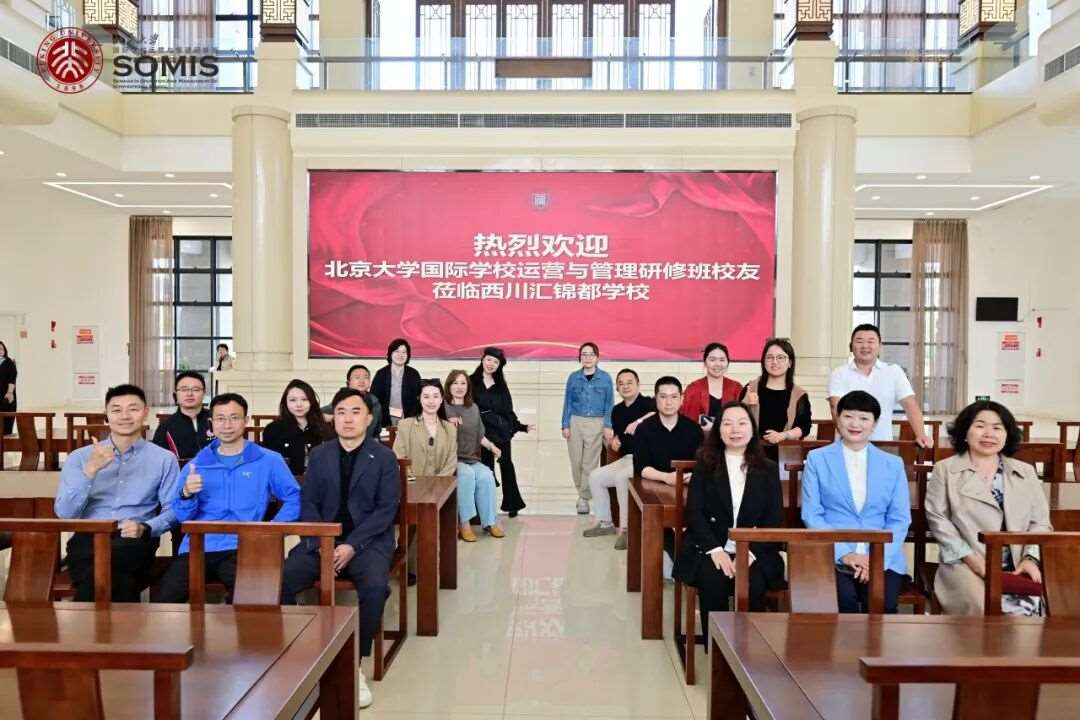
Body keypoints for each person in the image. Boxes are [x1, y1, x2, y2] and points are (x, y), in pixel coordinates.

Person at [281, 388, 399, 709]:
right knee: (281, 579)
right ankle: (298, 653)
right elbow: (309, 503)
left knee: (375, 588)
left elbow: (386, 511)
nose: (348, 419)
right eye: (342, 412)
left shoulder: (384, 457)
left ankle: (353, 664)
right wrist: (324, 541)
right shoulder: (320, 455)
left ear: (369, 418)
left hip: (367, 542)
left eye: (355, 412)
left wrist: (351, 546)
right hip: (322, 541)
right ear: (333, 418)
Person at [157, 392, 300, 602]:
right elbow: (181, 516)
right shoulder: (197, 464)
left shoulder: (268, 460)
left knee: (254, 598)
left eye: (234, 417)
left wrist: (271, 531)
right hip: (197, 546)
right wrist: (186, 494)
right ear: (211, 424)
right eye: (220, 418)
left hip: (243, 547)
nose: (227, 425)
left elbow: (294, 498)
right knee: (166, 600)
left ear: (246, 421)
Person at [925, 400, 1050, 616]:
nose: (989, 434)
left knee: (1029, 619)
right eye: (980, 426)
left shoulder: (1025, 472)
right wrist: (973, 560)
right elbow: (938, 520)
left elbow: (1040, 522)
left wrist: (1030, 559)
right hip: (965, 562)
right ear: (965, 432)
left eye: (997, 428)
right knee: (981, 612)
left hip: (1018, 563)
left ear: (1007, 435)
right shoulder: (945, 470)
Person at [54, 384, 178, 601]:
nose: (125, 416)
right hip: (88, 540)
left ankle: (83, 621)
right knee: (118, 579)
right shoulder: (80, 457)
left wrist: (146, 527)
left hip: (134, 539)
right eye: (116, 410)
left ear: (145, 412)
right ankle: (117, 623)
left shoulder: (163, 459)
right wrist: (90, 471)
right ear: (106, 414)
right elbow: (65, 514)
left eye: (133, 409)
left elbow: (174, 509)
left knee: (109, 568)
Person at [673, 402, 785, 627]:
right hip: (710, 546)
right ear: (718, 429)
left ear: (752, 429)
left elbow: (773, 517)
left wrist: (749, 553)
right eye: (727, 424)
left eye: (742, 423)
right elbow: (695, 512)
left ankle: (750, 643)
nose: (735, 430)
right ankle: (716, 645)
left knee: (753, 582)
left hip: (754, 549)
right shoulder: (705, 464)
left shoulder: (769, 468)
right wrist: (715, 550)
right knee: (712, 579)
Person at [801, 390, 911, 613]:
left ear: (874, 424)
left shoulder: (893, 464)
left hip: (883, 555)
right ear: (838, 418)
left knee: (881, 604)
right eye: (848, 416)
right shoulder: (817, 459)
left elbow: (900, 519)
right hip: (832, 553)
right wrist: (845, 554)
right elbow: (812, 514)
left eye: (864, 418)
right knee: (842, 603)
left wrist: (876, 559)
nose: (855, 424)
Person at [583, 368, 655, 549]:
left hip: (645, 460)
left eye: (630, 382)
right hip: (626, 458)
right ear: (617, 388)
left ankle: (627, 529)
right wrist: (614, 440)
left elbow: (657, 413)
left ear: (638, 384)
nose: (625, 386)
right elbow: (619, 435)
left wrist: (638, 422)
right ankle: (605, 523)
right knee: (596, 476)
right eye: (621, 384)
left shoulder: (648, 403)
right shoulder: (617, 410)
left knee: (622, 478)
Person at [827, 324, 931, 448]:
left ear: (880, 346)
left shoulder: (894, 371)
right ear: (851, 346)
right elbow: (836, 407)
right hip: (847, 444)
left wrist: (921, 434)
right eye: (859, 341)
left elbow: (910, 405)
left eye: (871, 341)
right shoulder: (839, 373)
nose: (865, 346)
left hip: (883, 443)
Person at [470, 347, 533, 518]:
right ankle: (483, 507)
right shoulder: (471, 381)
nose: (491, 364)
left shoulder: (501, 386)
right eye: (489, 359)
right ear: (483, 359)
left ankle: (513, 504)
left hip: (501, 430)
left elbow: (508, 411)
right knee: (485, 469)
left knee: (506, 465)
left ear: (499, 366)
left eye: (496, 362)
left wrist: (521, 426)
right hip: (481, 432)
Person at [444, 370, 505, 541]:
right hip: (452, 459)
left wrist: (492, 447)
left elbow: (480, 436)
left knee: (487, 475)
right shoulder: (443, 407)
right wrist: (448, 424)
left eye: (463, 383)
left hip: (471, 458)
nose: (459, 387)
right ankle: (465, 524)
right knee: (467, 475)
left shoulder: (473, 408)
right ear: (449, 386)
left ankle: (489, 522)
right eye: (455, 383)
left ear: (468, 387)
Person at [561, 342, 614, 515]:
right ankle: (582, 492)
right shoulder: (573, 377)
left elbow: (609, 403)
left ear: (597, 357)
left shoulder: (605, 378)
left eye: (591, 354)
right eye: (584, 354)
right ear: (580, 357)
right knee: (576, 461)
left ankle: (583, 498)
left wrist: (608, 425)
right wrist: (565, 424)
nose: (588, 357)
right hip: (576, 421)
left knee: (589, 463)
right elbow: (567, 402)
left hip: (597, 422)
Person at [739, 338, 812, 462]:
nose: (774, 362)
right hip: (752, 454)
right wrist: (746, 403)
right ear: (763, 361)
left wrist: (783, 436)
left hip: (785, 457)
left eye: (780, 358)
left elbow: (804, 427)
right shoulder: (751, 388)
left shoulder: (799, 394)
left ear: (790, 363)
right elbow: (737, 418)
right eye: (769, 357)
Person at [633, 376, 705, 487]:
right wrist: (666, 477)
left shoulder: (694, 429)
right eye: (663, 397)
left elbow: (701, 465)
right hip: (652, 485)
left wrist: (689, 478)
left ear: (681, 399)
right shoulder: (644, 428)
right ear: (656, 399)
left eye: (674, 397)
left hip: (686, 485)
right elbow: (641, 467)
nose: (668, 402)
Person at [261, 379, 335, 475]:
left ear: (312, 401)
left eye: (304, 399)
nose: (299, 404)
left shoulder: (323, 428)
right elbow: (268, 465)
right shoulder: (273, 430)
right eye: (293, 400)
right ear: (285, 402)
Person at [393, 379, 458, 479]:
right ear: (419, 399)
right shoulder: (405, 425)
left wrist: (438, 481)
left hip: (441, 484)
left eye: (435, 396)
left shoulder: (450, 429)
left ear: (441, 399)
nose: (431, 401)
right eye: (426, 397)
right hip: (412, 484)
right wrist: (412, 480)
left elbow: (451, 463)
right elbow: (398, 457)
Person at [681, 343, 742, 435]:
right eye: (712, 360)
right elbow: (683, 417)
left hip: (729, 440)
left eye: (722, 360)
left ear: (727, 362)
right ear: (705, 362)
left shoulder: (736, 388)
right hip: (698, 439)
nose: (717, 364)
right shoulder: (693, 388)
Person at [152, 371, 212, 464]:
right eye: (184, 390)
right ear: (175, 394)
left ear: (204, 393)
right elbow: (158, 462)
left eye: (196, 390)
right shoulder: (165, 428)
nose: (190, 394)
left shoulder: (217, 420)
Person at [321, 364, 383, 439]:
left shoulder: (375, 402)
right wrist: (333, 417)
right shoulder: (342, 399)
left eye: (366, 377)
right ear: (348, 382)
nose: (362, 381)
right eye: (357, 377)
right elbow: (316, 414)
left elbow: (377, 431)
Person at [372, 338, 422, 428]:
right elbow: (374, 398)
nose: (400, 355)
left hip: (409, 420)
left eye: (404, 352)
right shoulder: (381, 374)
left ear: (408, 355)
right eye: (397, 351)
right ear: (390, 353)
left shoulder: (413, 374)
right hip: (385, 420)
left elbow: (419, 399)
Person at [0, 341, 16, 435]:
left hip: (5, 397)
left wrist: (10, 393)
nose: (0, 351)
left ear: (4, 350)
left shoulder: (9, 363)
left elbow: (12, 379)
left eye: (1, 349)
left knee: (6, 423)